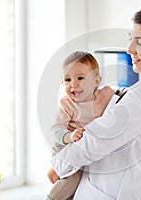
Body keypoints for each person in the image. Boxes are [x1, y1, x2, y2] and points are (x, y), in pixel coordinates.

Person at [50, 3, 141, 199]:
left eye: (140, 42)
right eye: (130, 40)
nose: (130, 49)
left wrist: (58, 164)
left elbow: (95, 141)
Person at [47, 51, 117, 200]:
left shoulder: (105, 95)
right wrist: (69, 136)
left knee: (81, 188)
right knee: (73, 180)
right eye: (67, 79)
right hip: (65, 148)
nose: (74, 84)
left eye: (80, 78)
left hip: (87, 147)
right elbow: (56, 128)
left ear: (96, 82)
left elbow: (122, 99)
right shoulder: (67, 104)